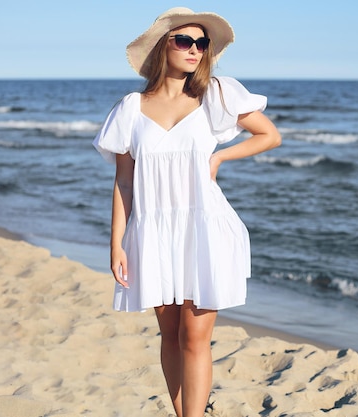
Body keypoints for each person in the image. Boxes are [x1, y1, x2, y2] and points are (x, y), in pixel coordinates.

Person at [93, 7, 281, 417]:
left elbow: (269, 135)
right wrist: (117, 243)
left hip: (204, 227)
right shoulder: (130, 108)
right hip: (153, 229)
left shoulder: (216, 94)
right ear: (164, 46)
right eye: (185, 41)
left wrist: (219, 160)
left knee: (195, 336)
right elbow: (124, 182)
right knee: (171, 334)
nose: (195, 49)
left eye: (202, 43)